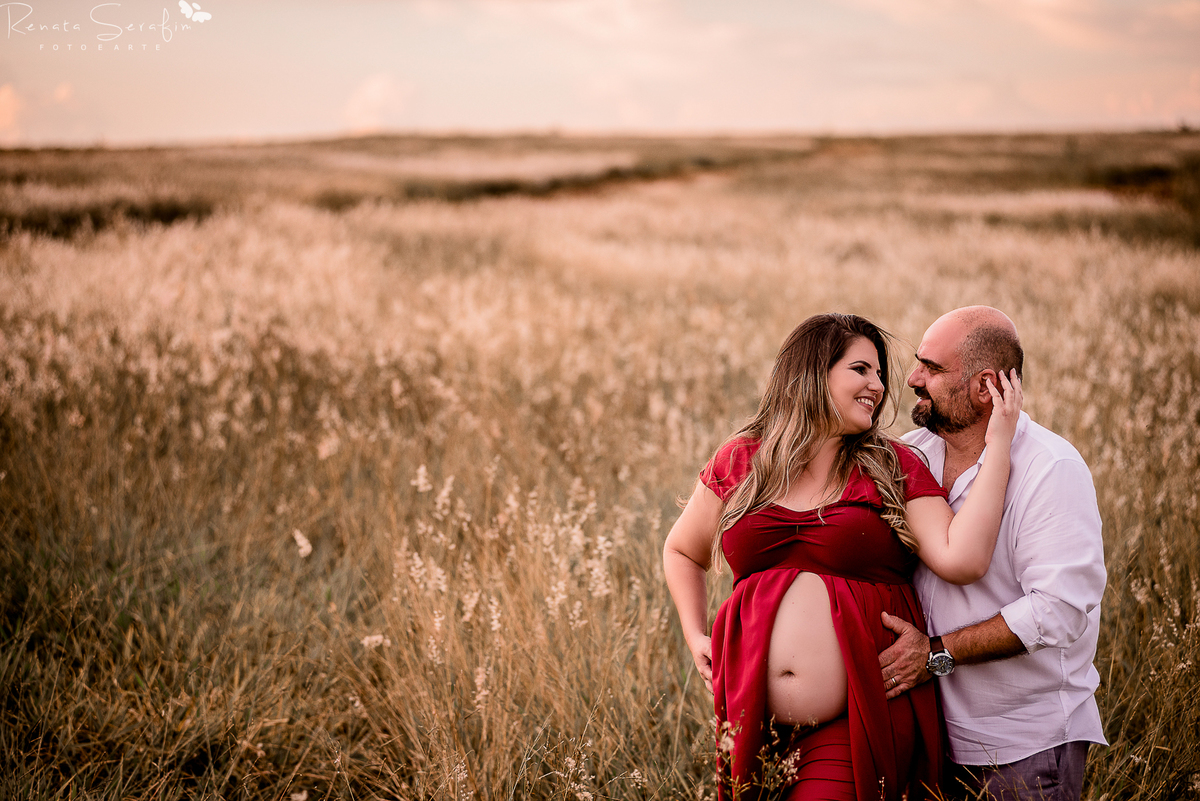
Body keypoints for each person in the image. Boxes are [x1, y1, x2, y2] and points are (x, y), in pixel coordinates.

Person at [662, 313, 1022, 801]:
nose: (877, 385)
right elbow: (683, 550)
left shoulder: (892, 464)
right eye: (861, 370)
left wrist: (1000, 440)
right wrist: (693, 633)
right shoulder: (743, 459)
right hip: (747, 717)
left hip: (854, 717)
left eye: (879, 374)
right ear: (813, 372)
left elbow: (964, 558)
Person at [877, 306, 1107, 801]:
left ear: (985, 387)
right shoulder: (912, 454)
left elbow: (1058, 610)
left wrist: (935, 654)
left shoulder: (1050, 469)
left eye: (932, 369)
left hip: (1025, 747)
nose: (914, 378)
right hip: (931, 737)